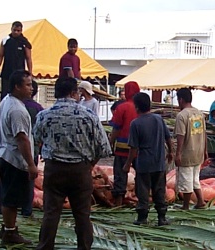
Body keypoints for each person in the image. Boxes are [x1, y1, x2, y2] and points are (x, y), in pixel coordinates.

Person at [33, 77, 112, 249]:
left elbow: (36, 140)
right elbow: (104, 147)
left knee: (51, 213)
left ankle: (45, 246)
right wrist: (91, 164)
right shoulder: (88, 115)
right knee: (82, 215)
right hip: (80, 170)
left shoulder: (44, 115)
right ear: (74, 92)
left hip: (54, 169)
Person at [0, 70, 37, 244]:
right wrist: (31, 164)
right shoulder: (17, 110)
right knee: (11, 198)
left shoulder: (6, 102)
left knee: (8, 195)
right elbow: (22, 139)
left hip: (5, 155)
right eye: (27, 85)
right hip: (14, 160)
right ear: (17, 86)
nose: (31, 88)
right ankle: (10, 232)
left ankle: (7, 227)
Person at [125, 92, 174, 226]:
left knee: (143, 191)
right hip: (159, 163)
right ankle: (162, 218)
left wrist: (128, 164)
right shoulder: (158, 119)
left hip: (144, 164)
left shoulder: (135, 123)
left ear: (137, 107)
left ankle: (142, 218)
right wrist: (170, 152)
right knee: (160, 190)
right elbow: (168, 137)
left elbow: (133, 148)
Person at [174, 88, 208, 210]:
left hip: (187, 153)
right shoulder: (199, 113)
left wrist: (178, 153)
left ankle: (186, 205)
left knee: (186, 180)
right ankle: (200, 201)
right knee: (195, 179)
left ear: (181, 99)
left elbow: (180, 135)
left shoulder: (182, 115)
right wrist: (205, 150)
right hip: (198, 152)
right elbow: (204, 133)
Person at [109, 81, 140, 206]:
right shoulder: (141, 107)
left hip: (122, 147)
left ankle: (119, 202)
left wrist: (111, 142)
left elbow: (116, 128)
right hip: (139, 148)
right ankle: (140, 200)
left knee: (120, 174)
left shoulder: (122, 107)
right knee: (141, 174)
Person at [0, 21, 33, 100]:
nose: (16, 32)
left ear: (21, 31)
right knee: (5, 95)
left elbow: (28, 58)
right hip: (7, 73)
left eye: (18, 31)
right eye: (14, 30)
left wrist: (30, 73)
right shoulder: (5, 40)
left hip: (19, 74)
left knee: (19, 94)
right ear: (11, 29)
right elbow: (0, 56)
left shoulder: (24, 42)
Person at [20, 80, 43, 217]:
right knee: (29, 180)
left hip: (13, 150)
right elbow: (41, 131)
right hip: (31, 148)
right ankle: (26, 209)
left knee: (9, 181)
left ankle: (5, 207)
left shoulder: (11, 105)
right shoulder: (37, 108)